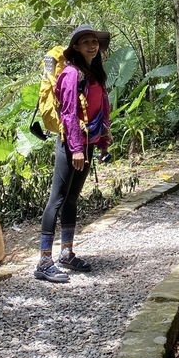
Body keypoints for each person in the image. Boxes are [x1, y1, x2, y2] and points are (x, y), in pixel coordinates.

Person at [34, 24, 112, 283]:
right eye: (86, 41)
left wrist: (102, 141)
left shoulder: (94, 73)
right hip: (71, 144)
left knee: (72, 199)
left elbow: (100, 109)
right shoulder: (71, 74)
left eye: (94, 41)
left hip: (88, 142)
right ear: (76, 47)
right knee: (57, 199)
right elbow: (68, 114)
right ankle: (44, 262)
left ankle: (66, 254)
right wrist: (76, 148)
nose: (92, 45)